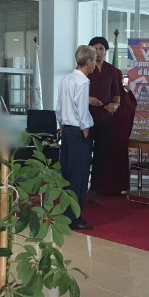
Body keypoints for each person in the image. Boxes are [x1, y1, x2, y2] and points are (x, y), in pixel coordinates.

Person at [56, 45, 97, 231]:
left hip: (66, 131)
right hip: (79, 132)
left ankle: (66, 214)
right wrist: (85, 131)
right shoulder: (83, 82)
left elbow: (59, 107)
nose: (95, 64)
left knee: (68, 173)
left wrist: (62, 125)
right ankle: (74, 217)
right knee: (79, 176)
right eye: (94, 61)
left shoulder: (66, 79)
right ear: (88, 62)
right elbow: (81, 110)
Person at [85, 36, 122, 204]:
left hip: (106, 119)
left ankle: (94, 191)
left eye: (101, 48)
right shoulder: (85, 68)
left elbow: (116, 94)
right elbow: (75, 92)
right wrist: (88, 99)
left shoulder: (112, 70)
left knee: (101, 155)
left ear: (106, 51)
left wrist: (115, 105)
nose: (98, 52)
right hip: (86, 118)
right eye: (95, 48)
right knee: (85, 155)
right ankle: (80, 189)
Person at [98, 74, 138, 195]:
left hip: (106, 132)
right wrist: (129, 91)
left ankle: (102, 186)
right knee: (119, 159)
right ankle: (118, 186)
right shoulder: (122, 95)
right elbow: (132, 105)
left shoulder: (106, 92)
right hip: (120, 135)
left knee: (105, 158)